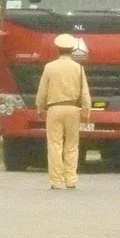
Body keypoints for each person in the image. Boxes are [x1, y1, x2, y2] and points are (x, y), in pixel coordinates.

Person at [35, 34, 91, 190]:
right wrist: (86, 110)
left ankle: (57, 181)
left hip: (54, 108)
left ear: (57, 49)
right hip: (73, 109)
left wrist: (40, 108)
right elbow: (84, 91)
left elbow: (42, 91)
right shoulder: (78, 68)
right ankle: (71, 179)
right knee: (72, 145)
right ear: (72, 49)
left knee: (55, 144)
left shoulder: (49, 67)